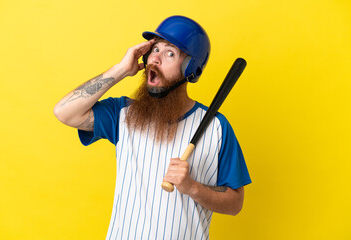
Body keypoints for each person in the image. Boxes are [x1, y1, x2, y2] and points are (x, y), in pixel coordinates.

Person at [54, 15, 251, 240]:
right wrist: (120, 69)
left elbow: (235, 203)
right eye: (154, 49)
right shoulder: (122, 114)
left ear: (190, 68)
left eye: (169, 53)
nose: (155, 59)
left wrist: (192, 187)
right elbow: (64, 112)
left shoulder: (216, 127)